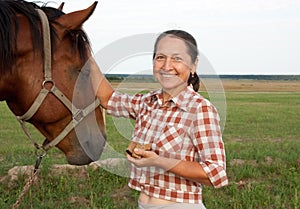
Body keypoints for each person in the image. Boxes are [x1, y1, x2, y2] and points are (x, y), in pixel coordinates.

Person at [90, 30, 228, 209]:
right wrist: (87, 59)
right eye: (160, 57)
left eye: (177, 58)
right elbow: (109, 99)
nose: (166, 66)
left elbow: (216, 174)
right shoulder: (147, 102)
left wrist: (159, 161)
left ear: (193, 66)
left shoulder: (200, 109)